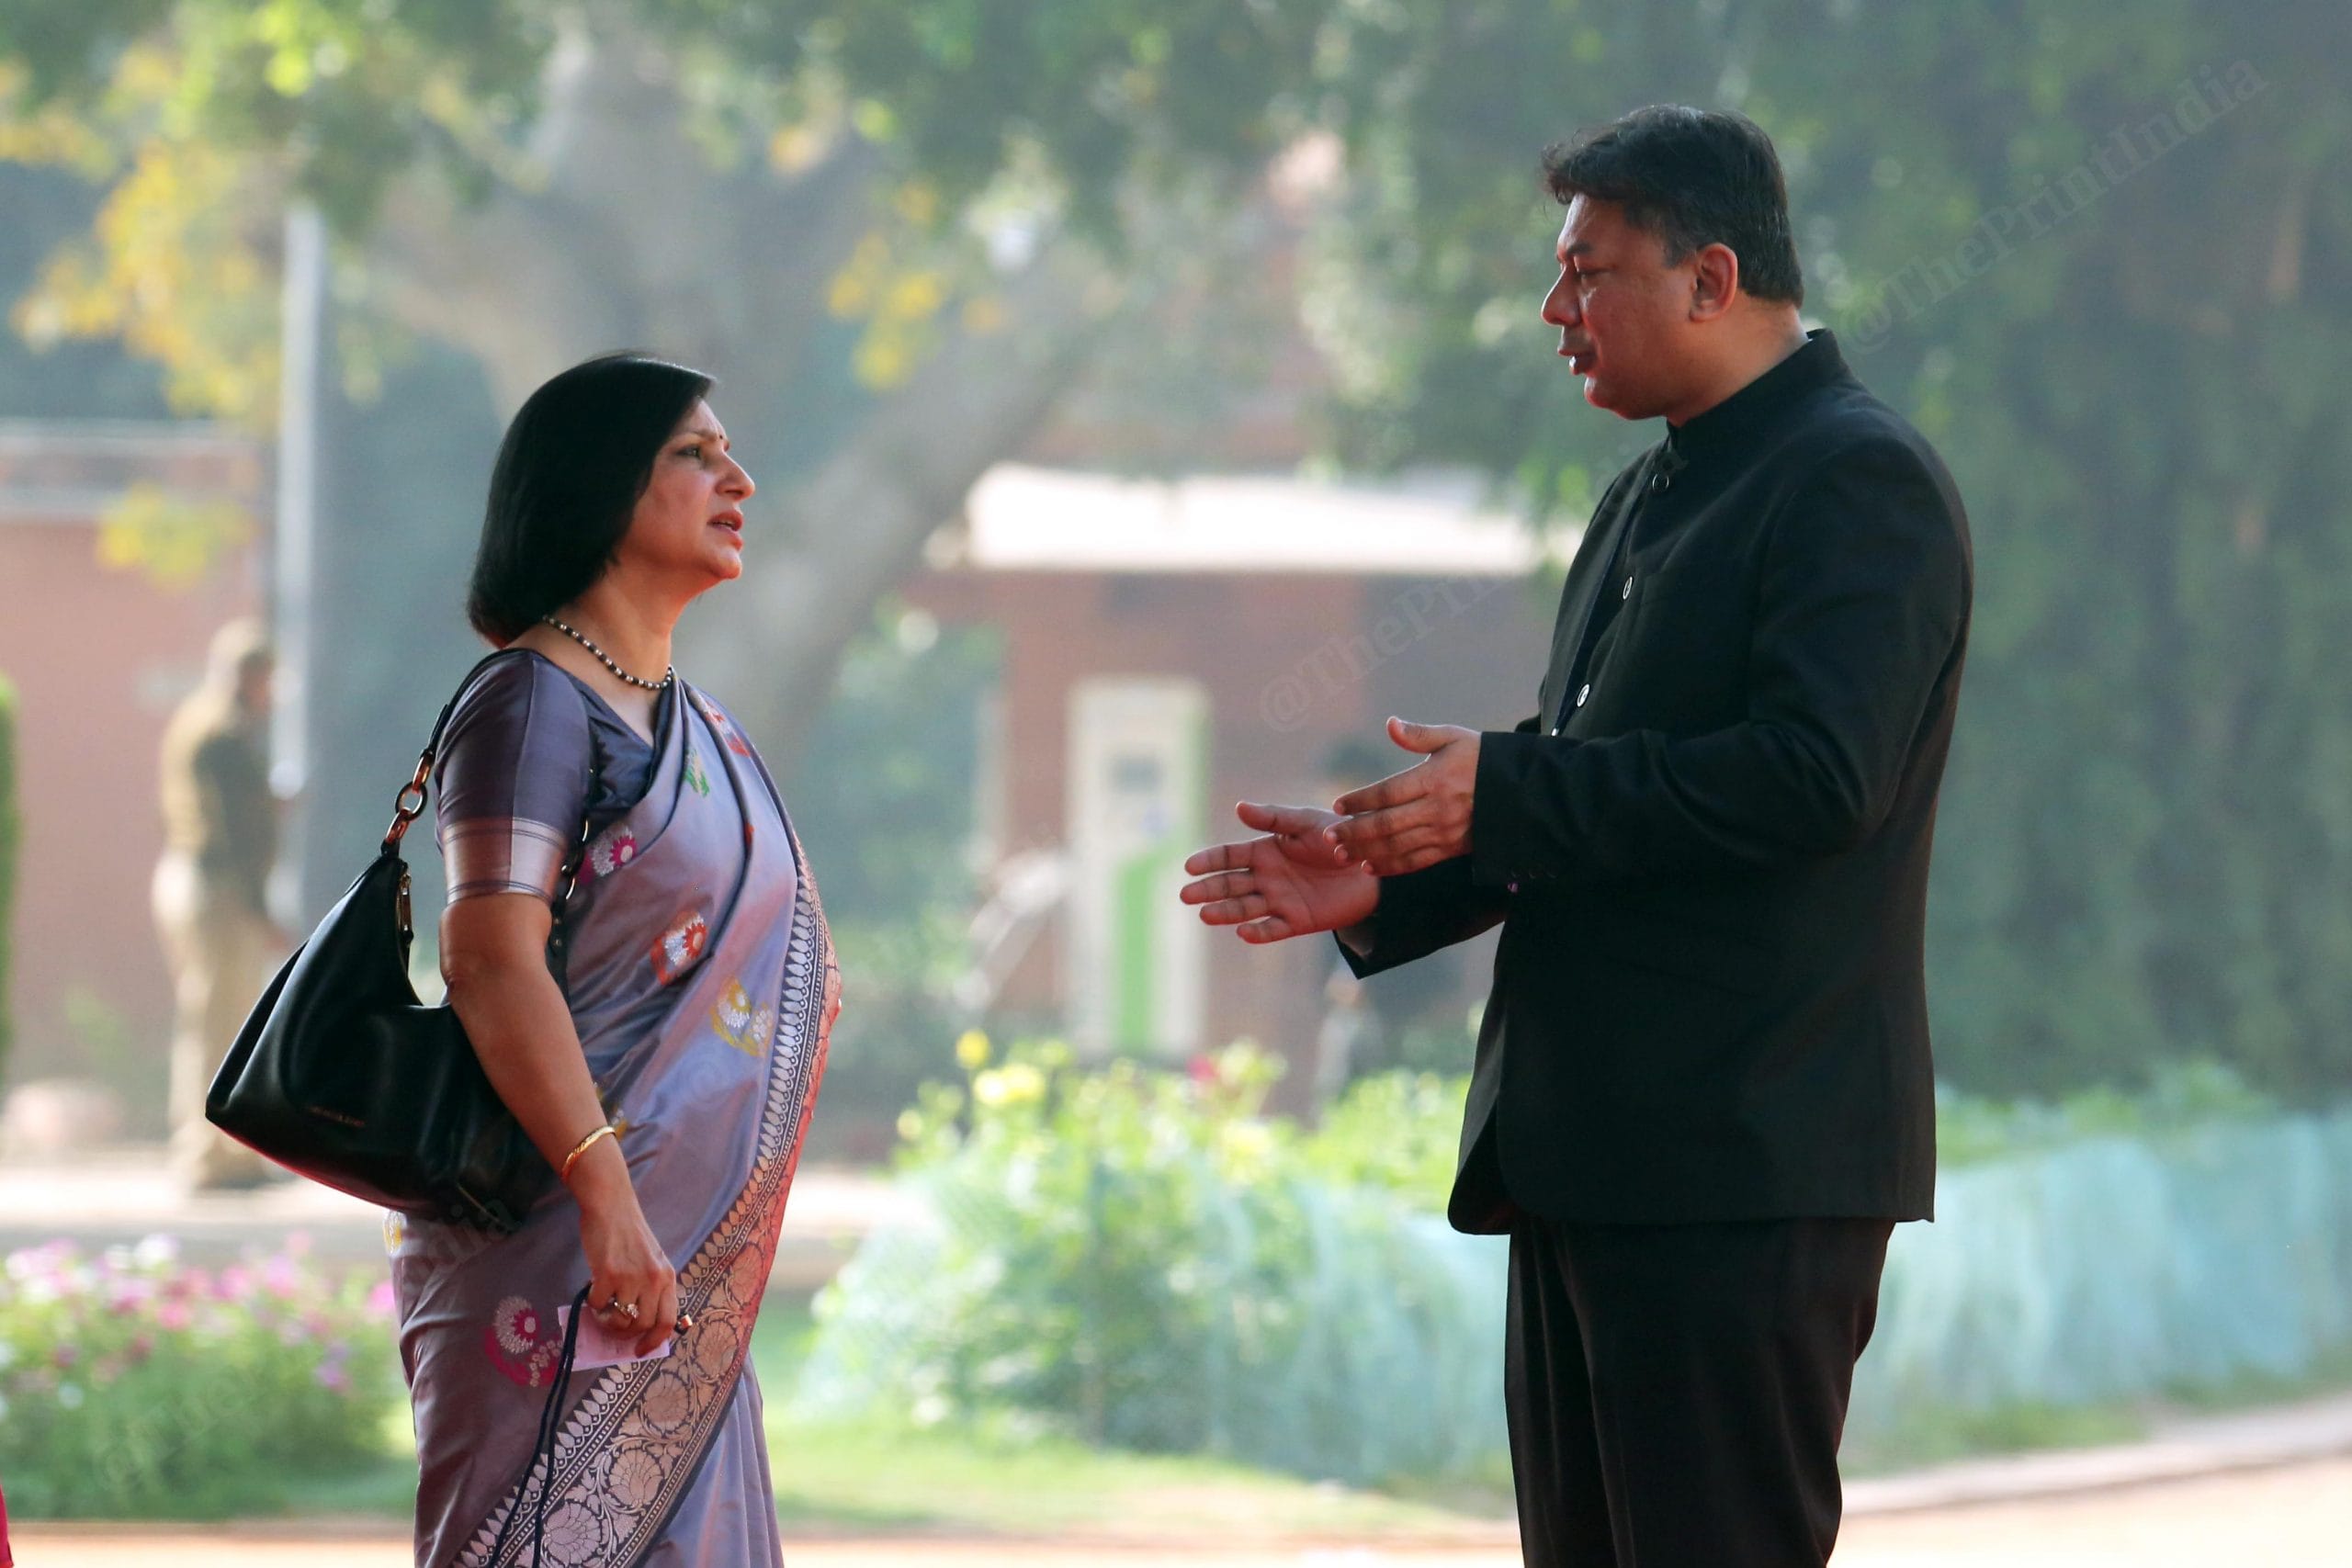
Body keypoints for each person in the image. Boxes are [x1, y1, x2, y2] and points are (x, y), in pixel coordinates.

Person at [1182, 106, 1972, 1568]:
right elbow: (1594, 783)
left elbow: (1815, 777)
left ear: (1711, 279)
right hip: (1600, 1147)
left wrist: (1506, 789)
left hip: (1743, 1153)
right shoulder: (1653, 488)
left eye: (1587, 271)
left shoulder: (1855, 479)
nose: (1555, 312)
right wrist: (1393, 868)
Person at [393, 352, 841, 1567]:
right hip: (564, 1258)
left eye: (729, 451)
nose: (735, 476)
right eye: (693, 454)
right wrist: (607, 1198)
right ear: (600, 486)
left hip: (675, 1285)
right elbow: (489, 958)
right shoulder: (533, 704)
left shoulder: (698, 727)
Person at [153, 616, 286, 1190]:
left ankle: (220, 1148)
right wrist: (261, 909)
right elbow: (234, 832)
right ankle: (212, 1155)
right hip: (218, 888)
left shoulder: (193, 720)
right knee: (222, 1020)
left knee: (209, 1015)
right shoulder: (225, 733)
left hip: (186, 876)